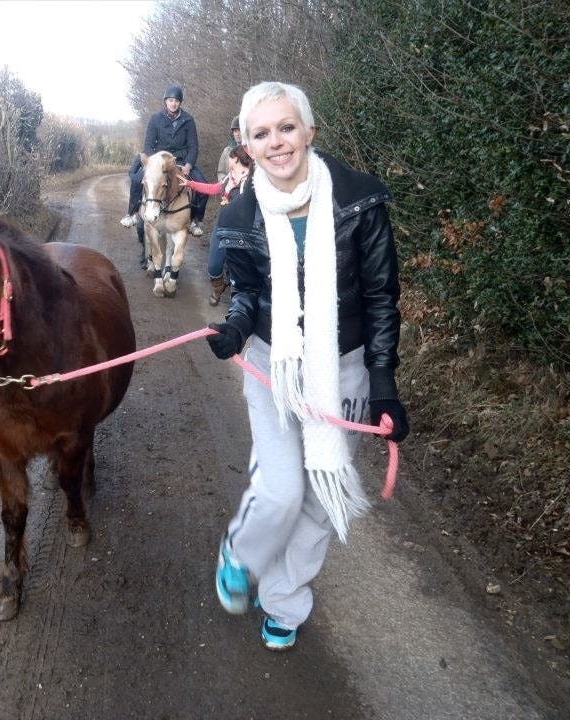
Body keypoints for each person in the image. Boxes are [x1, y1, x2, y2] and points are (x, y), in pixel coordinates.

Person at [205, 81, 409, 651]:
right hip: (272, 364)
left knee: (319, 494)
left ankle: (284, 602)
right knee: (281, 490)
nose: (276, 142)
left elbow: (381, 297)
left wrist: (384, 384)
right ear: (246, 145)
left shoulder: (360, 199)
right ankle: (242, 552)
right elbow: (247, 293)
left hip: (345, 368)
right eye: (261, 133)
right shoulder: (238, 216)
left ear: (309, 131)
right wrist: (236, 327)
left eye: (286, 127)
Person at [120, 84, 209, 236]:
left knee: (203, 186)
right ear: (165, 101)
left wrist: (188, 165)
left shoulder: (188, 120)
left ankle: (195, 220)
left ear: (180, 102)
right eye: (170, 100)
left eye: (176, 101)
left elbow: (193, 146)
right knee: (137, 180)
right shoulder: (155, 119)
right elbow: (148, 145)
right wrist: (154, 162)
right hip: (158, 160)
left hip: (181, 161)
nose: (173, 103)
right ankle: (132, 213)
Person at [179, 145, 253, 305]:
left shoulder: (252, 181)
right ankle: (218, 287)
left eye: (230, 158)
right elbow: (214, 189)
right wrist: (190, 184)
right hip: (222, 224)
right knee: (213, 266)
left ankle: (238, 303)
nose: (228, 160)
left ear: (236, 159)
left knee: (238, 269)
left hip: (241, 229)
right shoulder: (230, 177)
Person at [217, 114, 242, 182]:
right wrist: (227, 181)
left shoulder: (252, 151)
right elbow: (220, 172)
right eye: (235, 131)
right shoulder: (227, 151)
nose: (237, 134)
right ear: (232, 134)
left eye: (240, 130)